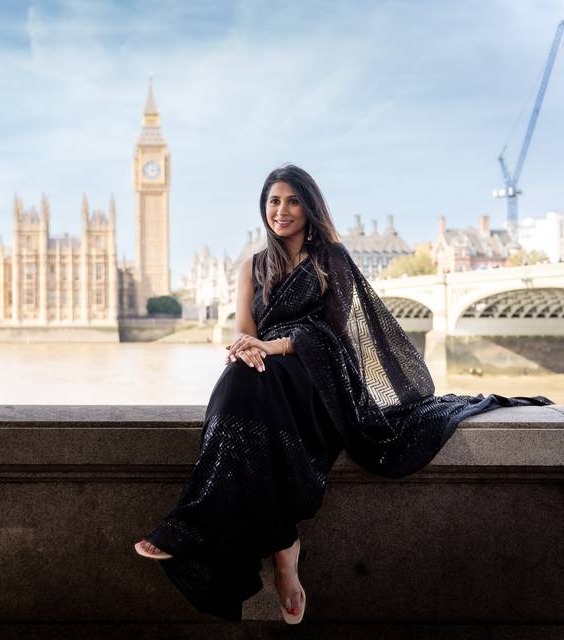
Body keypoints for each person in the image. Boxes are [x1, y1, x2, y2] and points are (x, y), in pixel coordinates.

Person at [132, 164, 554, 625]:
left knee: (256, 378)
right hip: (265, 372)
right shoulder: (250, 266)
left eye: (293, 200)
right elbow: (244, 330)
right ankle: (283, 545)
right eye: (274, 201)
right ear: (263, 208)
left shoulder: (331, 259)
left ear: (310, 207)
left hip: (320, 377)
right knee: (238, 377)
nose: (282, 210)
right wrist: (244, 346)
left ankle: (194, 528)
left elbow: (331, 335)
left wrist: (272, 346)